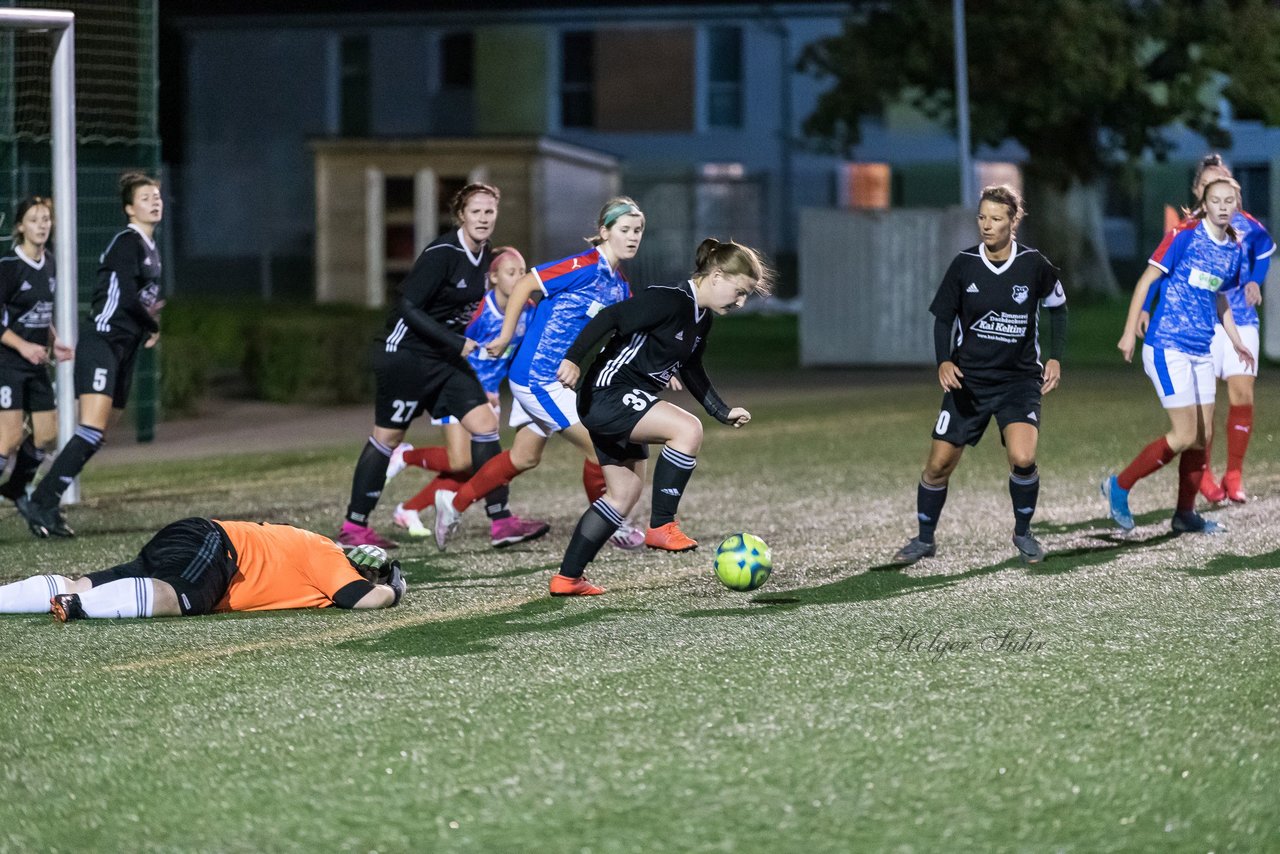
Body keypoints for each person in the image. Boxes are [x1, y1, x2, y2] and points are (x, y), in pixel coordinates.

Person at [546, 237, 772, 596]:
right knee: (686, 429)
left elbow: (692, 368)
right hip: (607, 394)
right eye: (739, 290)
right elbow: (610, 318)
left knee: (622, 496)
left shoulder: (701, 320)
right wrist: (573, 358)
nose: (741, 301)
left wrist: (721, 410)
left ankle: (567, 578)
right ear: (716, 276)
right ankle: (662, 525)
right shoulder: (669, 300)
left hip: (619, 400)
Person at [428, 197, 651, 552]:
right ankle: (614, 523)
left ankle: (452, 504)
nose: (632, 237)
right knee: (601, 446)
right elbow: (525, 285)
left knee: (524, 457)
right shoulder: (583, 265)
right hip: (536, 377)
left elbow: (626, 335)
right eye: (624, 230)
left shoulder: (619, 286)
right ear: (604, 232)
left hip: (558, 381)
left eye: (638, 230)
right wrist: (504, 336)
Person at [337, 183, 545, 550]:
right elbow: (407, 307)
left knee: (484, 423)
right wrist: (455, 341)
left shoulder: (484, 257)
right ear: (461, 214)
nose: (483, 218)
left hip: (444, 359)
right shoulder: (443, 252)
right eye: (476, 211)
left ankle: (502, 522)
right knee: (388, 438)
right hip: (406, 356)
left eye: (489, 211)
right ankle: (354, 528)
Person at [892, 185, 1068, 567]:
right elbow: (943, 318)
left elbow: (1059, 308)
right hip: (968, 381)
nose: (986, 226)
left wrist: (1055, 358)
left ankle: (1022, 533)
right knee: (938, 465)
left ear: (1013, 222)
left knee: (1023, 457)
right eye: (982, 217)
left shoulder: (1035, 264)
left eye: (996, 219)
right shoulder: (964, 263)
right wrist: (943, 361)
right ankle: (924, 539)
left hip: (1018, 382)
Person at [17, 172, 165, 539]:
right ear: (130, 208)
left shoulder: (150, 247)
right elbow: (127, 299)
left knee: (98, 434)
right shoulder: (127, 242)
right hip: (103, 343)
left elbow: (137, 301)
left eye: (157, 196)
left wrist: (145, 325)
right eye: (146, 197)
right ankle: (42, 500)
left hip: (124, 348)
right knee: (91, 428)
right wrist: (151, 324)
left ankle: (44, 498)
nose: (155, 201)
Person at [1104, 175, 1254, 534]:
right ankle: (1119, 485)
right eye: (1215, 200)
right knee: (1185, 434)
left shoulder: (1233, 248)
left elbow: (1220, 298)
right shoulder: (1184, 235)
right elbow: (1146, 281)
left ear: (1237, 207)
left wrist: (1235, 341)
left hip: (1202, 350)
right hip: (1168, 346)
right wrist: (1128, 333)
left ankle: (1184, 514)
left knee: (1202, 438)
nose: (1222, 207)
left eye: (1228, 202)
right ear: (1204, 203)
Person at [385, 246, 549, 546]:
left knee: (466, 466)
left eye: (523, 272)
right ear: (494, 277)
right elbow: (449, 344)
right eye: (511, 272)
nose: (519, 278)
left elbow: (515, 356)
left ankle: (408, 508)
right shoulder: (478, 311)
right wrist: (477, 387)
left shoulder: (526, 309)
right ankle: (407, 456)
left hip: (487, 397)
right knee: (468, 463)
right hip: (458, 387)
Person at [0, 518, 405, 620]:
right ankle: (79, 607)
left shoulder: (311, 550)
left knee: (84, 581)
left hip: (195, 541)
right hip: (214, 547)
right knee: (181, 598)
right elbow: (357, 598)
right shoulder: (326, 553)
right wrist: (396, 589)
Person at [1171, 156, 1272, 504]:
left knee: (1242, 394)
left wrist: (1255, 282)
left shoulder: (1246, 225)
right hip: (1201, 325)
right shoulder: (1186, 231)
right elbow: (1163, 273)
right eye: (1212, 186)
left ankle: (1234, 474)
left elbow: (1264, 253)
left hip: (1241, 320)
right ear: (1200, 191)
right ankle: (1206, 475)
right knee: (1205, 406)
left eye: (1226, 185)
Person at [0, 195, 74, 504]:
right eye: (34, 220)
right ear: (20, 226)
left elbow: (42, 309)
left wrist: (52, 338)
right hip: (8, 361)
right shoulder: (9, 266)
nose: (42, 225)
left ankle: (15, 489)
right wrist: (24, 346)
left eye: (46, 219)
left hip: (36, 361)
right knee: (10, 437)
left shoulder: (51, 261)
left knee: (46, 433)